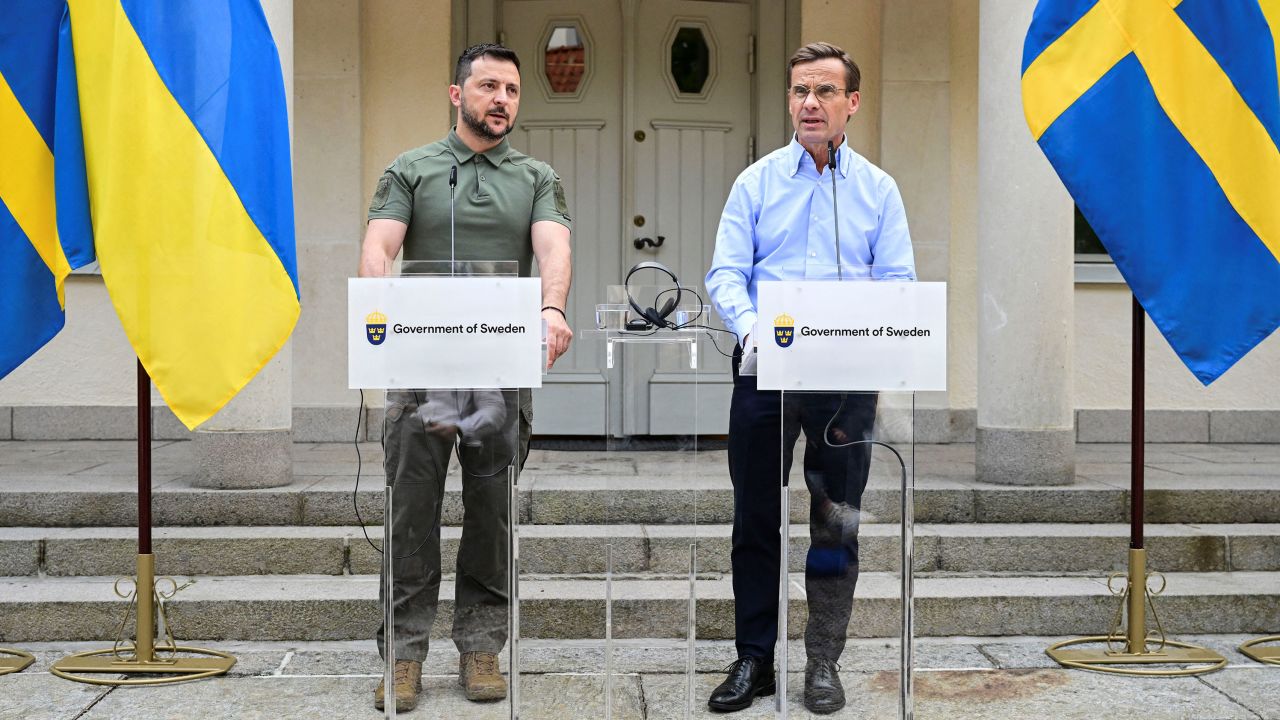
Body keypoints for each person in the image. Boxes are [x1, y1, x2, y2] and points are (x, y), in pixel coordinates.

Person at [357, 42, 573, 712]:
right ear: (458, 95)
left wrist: (552, 306)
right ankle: (402, 656)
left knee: (493, 517)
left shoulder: (536, 176)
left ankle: (482, 647)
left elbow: (553, 245)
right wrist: (377, 308)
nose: (501, 99)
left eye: (510, 89)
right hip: (424, 369)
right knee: (411, 516)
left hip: (498, 371)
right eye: (487, 87)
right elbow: (379, 244)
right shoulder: (413, 169)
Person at [704, 41, 915, 714]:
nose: (810, 103)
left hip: (846, 379)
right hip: (767, 375)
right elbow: (726, 274)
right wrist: (750, 327)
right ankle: (754, 660)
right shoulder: (757, 182)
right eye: (800, 91)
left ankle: (823, 659)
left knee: (835, 522)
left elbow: (899, 282)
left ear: (852, 102)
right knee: (756, 520)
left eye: (825, 91)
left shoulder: (878, 190)